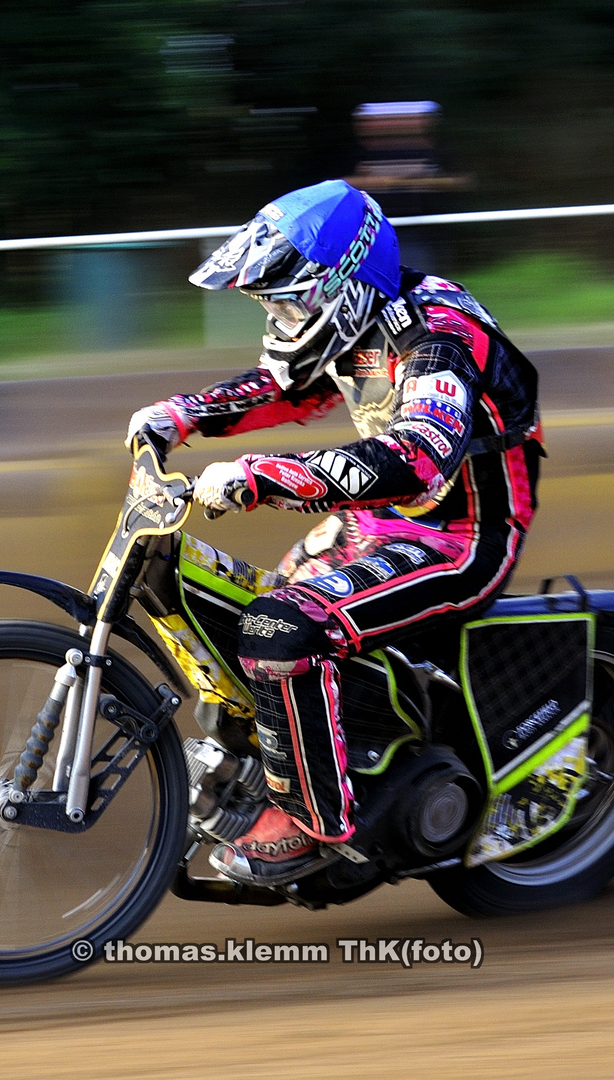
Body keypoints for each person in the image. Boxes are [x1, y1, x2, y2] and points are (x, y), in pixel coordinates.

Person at [125, 179, 544, 884]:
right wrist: (181, 415)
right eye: (271, 305)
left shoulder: (437, 337)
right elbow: (292, 389)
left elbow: (414, 457)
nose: (280, 319)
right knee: (239, 613)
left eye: (288, 301)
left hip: (463, 538)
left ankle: (316, 828)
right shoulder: (360, 328)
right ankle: (310, 753)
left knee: (280, 631)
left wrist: (262, 476)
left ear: (344, 284)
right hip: (371, 524)